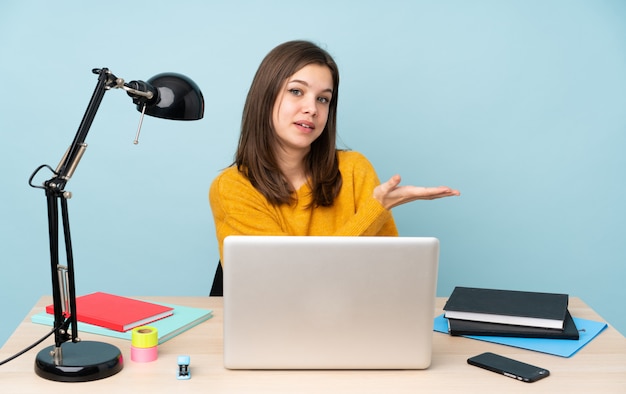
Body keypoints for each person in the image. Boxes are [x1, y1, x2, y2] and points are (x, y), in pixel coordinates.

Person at [209, 40, 459, 263]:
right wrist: (376, 209)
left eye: (323, 99)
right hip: (275, 315)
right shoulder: (233, 187)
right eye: (296, 91)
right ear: (265, 97)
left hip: (356, 312)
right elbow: (289, 279)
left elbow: (388, 270)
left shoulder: (354, 169)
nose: (312, 108)